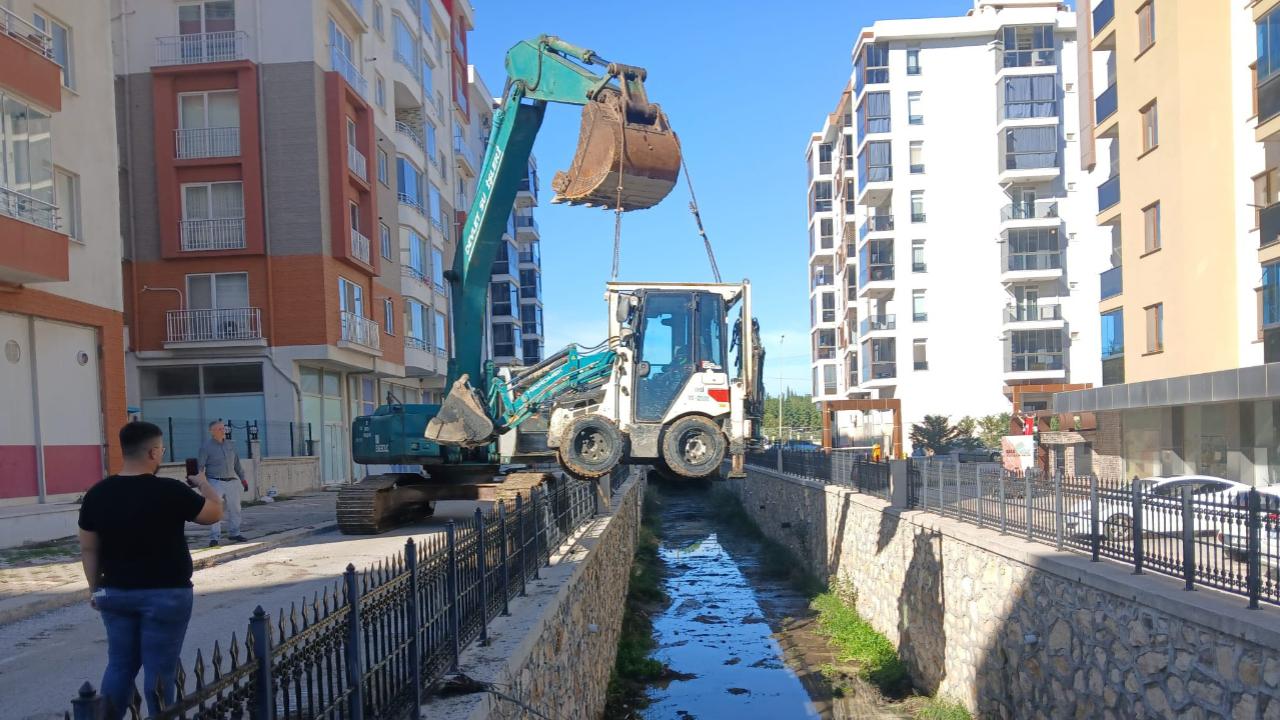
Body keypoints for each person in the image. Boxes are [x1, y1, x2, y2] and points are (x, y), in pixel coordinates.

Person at [78, 421, 223, 719]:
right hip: (166, 595)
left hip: (115, 593)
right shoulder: (170, 490)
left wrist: (95, 589)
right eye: (162, 450)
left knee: (119, 665)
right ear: (154, 452)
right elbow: (214, 513)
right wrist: (203, 483)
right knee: (160, 671)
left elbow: (89, 548)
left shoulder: (97, 494)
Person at [197, 420, 248, 546]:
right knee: (215, 509)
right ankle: (214, 537)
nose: (223, 431)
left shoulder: (230, 445)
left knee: (235, 508)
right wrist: (202, 484)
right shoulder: (206, 447)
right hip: (215, 481)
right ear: (212, 431)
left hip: (231, 481)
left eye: (223, 428)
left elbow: (236, 464)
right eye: (219, 429)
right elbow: (200, 467)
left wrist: (243, 479)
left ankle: (235, 533)